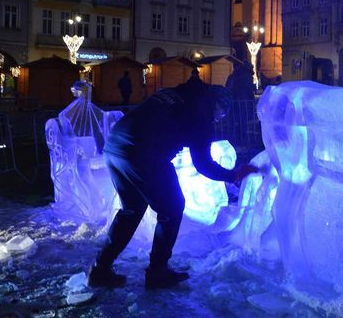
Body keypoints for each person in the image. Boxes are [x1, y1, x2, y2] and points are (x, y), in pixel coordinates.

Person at [88, 76, 258, 290]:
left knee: (131, 209)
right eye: (220, 116)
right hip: (144, 151)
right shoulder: (202, 110)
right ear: (217, 105)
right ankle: (157, 271)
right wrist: (233, 175)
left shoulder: (179, 94)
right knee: (172, 207)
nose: (217, 121)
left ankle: (100, 269)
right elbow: (202, 163)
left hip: (115, 145)